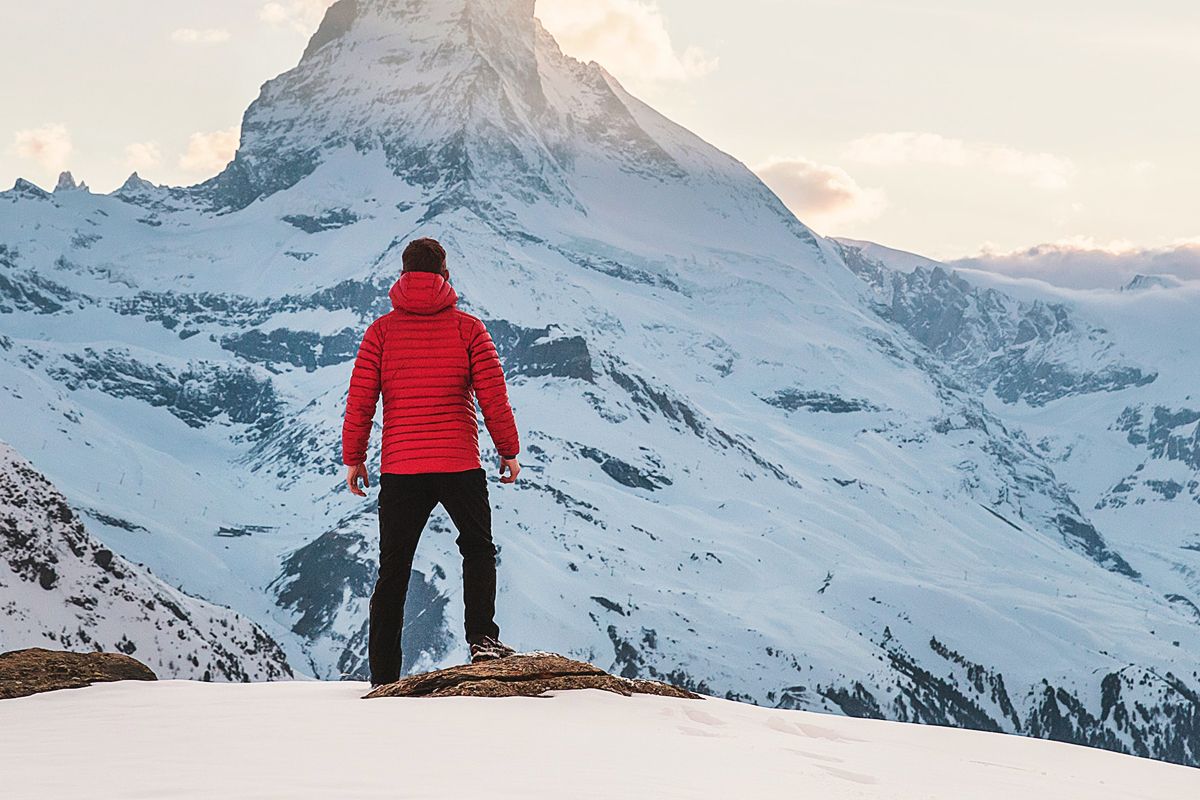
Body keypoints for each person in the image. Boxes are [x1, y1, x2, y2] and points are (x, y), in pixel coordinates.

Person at [341, 237, 522, 686]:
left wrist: (355, 457)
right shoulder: (469, 329)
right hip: (459, 462)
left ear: (403, 275)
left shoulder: (380, 332)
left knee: (394, 568)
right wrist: (508, 450)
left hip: (401, 468)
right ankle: (483, 640)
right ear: (445, 274)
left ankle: (384, 675)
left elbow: (360, 401)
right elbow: (493, 397)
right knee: (477, 549)